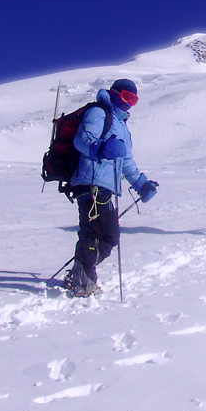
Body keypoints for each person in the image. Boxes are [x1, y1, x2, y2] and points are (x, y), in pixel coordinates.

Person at [65, 79, 159, 297]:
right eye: (127, 97)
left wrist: (141, 184)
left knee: (110, 237)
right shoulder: (99, 113)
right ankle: (82, 280)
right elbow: (82, 140)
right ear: (115, 93)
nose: (129, 103)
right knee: (94, 233)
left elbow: (126, 161)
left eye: (134, 100)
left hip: (106, 186)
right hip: (90, 181)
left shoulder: (121, 125)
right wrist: (101, 148)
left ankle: (81, 269)